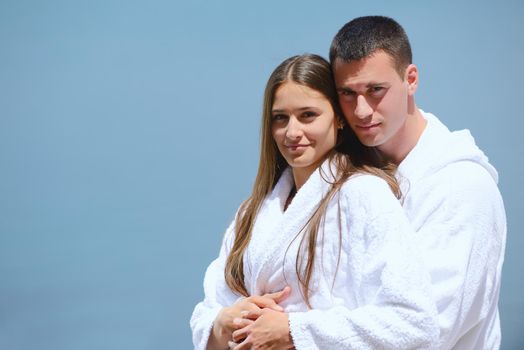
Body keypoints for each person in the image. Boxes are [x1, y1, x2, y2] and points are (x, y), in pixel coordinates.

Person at [190, 54, 439, 349]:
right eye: (280, 118)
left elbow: (414, 322)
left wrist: (295, 331)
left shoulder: (364, 195)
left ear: (339, 119)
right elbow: (209, 309)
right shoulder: (253, 211)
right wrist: (222, 324)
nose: (292, 132)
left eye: (308, 115)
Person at [329, 16, 506, 349]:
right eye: (348, 94)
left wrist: (297, 330)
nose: (362, 110)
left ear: (410, 79)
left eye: (375, 90)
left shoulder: (462, 187)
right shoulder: (347, 175)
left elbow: (425, 330)